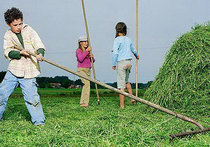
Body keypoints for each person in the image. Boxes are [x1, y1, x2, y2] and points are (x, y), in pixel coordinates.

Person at [0, 7, 46, 125]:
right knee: (2, 94)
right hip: (14, 70)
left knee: (32, 99)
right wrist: (20, 53)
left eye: (20, 23)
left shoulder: (29, 30)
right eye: (15, 25)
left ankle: (39, 122)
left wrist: (40, 53)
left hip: (29, 70)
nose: (19, 27)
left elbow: (38, 43)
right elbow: (7, 52)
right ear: (8, 24)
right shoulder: (8, 35)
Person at [112, 22, 139, 108]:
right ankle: (132, 98)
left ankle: (122, 106)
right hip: (128, 63)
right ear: (125, 30)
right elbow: (133, 50)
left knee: (121, 86)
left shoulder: (116, 40)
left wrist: (113, 64)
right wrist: (137, 55)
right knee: (126, 81)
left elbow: (115, 53)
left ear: (117, 30)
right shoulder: (128, 39)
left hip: (121, 63)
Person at [76, 35, 95, 107]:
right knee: (86, 84)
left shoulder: (88, 51)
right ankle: (84, 102)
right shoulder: (79, 51)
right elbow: (80, 59)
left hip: (88, 70)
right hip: (81, 70)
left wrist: (92, 57)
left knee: (87, 85)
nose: (86, 43)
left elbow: (93, 61)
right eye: (84, 41)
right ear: (80, 42)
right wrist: (86, 51)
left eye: (87, 41)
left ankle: (83, 102)